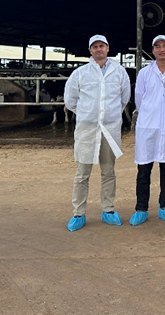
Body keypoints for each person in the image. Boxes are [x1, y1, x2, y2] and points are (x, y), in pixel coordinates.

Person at [63, 34, 131, 231]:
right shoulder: (80, 73)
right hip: (87, 129)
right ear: (90, 51)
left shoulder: (119, 72)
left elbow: (124, 98)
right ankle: (78, 213)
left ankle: (108, 210)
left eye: (102, 46)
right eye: (95, 47)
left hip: (110, 128)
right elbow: (70, 100)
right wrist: (88, 114)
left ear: (107, 48)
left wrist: (109, 115)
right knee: (82, 174)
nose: (99, 49)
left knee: (108, 171)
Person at [129, 35, 165, 226]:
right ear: (153, 51)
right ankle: (141, 208)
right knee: (144, 169)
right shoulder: (145, 73)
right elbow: (139, 99)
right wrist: (152, 113)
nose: (161, 49)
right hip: (147, 126)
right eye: (157, 46)